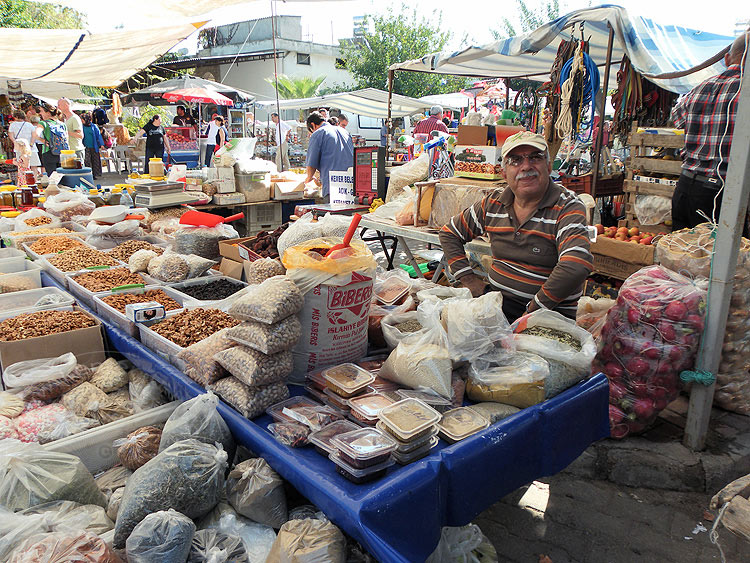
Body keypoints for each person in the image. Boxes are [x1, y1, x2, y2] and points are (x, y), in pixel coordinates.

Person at [438, 131, 593, 322]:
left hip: (549, 317)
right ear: (504, 172)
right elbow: (449, 233)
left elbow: (576, 265)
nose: (526, 166)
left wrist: (531, 313)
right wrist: (469, 280)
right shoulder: (493, 203)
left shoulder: (567, 206)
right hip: (496, 307)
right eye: (515, 160)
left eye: (535, 158)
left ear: (549, 165)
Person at [670, 31, 748, 230]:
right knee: (722, 259)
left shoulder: (698, 89)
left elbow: (676, 118)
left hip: (685, 187)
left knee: (681, 255)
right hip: (723, 193)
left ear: (726, 58)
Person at [304, 111, 354, 199]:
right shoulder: (345, 132)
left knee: (334, 212)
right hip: (350, 182)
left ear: (313, 125)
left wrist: (308, 179)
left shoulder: (318, 134)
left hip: (332, 185)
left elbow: (311, 165)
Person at [36, 104, 65, 175]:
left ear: (48, 113)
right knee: (62, 175)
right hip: (62, 153)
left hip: (48, 151)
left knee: (52, 176)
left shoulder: (43, 123)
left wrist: (42, 140)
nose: (40, 113)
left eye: (42, 111)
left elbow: (36, 134)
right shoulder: (62, 124)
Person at [57, 98, 84, 162]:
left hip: (76, 150)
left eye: (59, 105)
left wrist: (65, 132)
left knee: (78, 171)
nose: (58, 107)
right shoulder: (65, 119)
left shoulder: (75, 118)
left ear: (66, 105)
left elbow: (80, 135)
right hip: (68, 151)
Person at [81, 112, 105, 179]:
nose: (81, 121)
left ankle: (95, 175)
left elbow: (98, 136)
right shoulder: (81, 126)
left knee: (95, 161)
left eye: (82, 119)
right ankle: (88, 174)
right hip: (85, 146)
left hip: (94, 146)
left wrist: (102, 144)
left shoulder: (94, 126)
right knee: (87, 161)